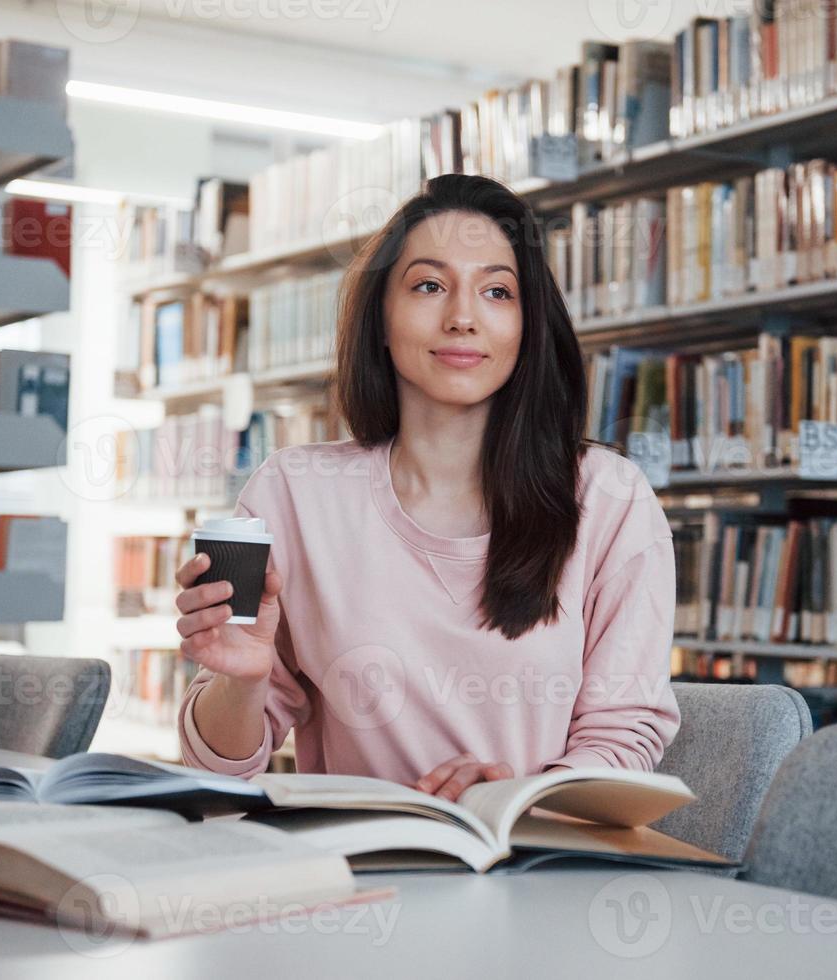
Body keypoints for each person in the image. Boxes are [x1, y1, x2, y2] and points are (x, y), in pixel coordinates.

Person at [175, 173, 680, 801]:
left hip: (537, 868)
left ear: (528, 326)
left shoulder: (610, 500)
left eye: (497, 291)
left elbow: (624, 738)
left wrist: (510, 798)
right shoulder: (294, 493)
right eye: (430, 285)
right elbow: (218, 770)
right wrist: (242, 681)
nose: (463, 317)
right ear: (382, 319)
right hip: (365, 875)